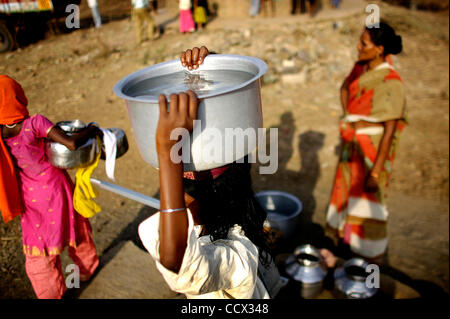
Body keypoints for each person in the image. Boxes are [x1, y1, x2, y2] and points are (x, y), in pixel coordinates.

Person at [138, 46, 284, 299]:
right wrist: (209, 67)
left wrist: (167, 151)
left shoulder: (236, 257)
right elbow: (229, 113)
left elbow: (177, 261)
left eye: (181, 200)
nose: (178, 215)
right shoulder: (242, 216)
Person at [0, 75, 103, 299]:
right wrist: (92, 129)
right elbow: (72, 143)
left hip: (29, 197)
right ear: (18, 97)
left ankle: (50, 294)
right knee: (75, 227)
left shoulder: (1, 134)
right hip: (56, 189)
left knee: (40, 247)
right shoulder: (34, 123)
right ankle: (88, 268)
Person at [325, 22, 406, 263]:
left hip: (371, 155)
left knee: (368, 204)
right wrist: (350, 117)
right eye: (360, 41)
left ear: (380, 49)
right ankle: (345, 251)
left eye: (364, 43)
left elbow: (390, 129)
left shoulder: (392, 81)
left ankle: (368, 260)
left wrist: (376, 172)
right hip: (351, 150)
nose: (358, 47)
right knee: (346, 196)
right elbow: (343, 89)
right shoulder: (359, 69)